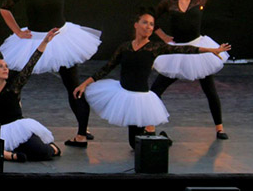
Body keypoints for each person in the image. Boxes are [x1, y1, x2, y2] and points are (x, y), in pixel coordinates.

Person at [0, 0, 128, 148]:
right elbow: (4, 8)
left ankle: (81, 133)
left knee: (73, 85)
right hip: (34, 40)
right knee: (13, 83)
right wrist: (18, 32)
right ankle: (8, 126)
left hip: (60, 39)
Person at [73, 9, 231, 149]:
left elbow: (184, 49)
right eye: (145, 23)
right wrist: (85, 84)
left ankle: (162, 139)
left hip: (141, 99)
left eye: (151, 24)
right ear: (136, 25)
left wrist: (211, 50)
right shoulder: (125, 47)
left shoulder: (155, 48)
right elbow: (107, 67)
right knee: (134, 143)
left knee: (137, 145)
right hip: (123, 94)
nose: (148, 27)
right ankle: (156, 137)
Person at [146, 0, 253, 140]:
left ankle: (219, 128)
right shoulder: (168, 2)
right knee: (157, 89)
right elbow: (150, 18)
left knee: (210, 89)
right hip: (176, 52)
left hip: (199, 49)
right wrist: (163, 36)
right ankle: (149, 125)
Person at [0, 28, 62, 162]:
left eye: (6, 66)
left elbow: (30, 65)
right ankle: (10, 155)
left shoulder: (14, 87)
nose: (5, 69)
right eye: (0, 66)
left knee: (42, 152)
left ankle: (51, 148)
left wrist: (44, 42)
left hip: (18, 130)